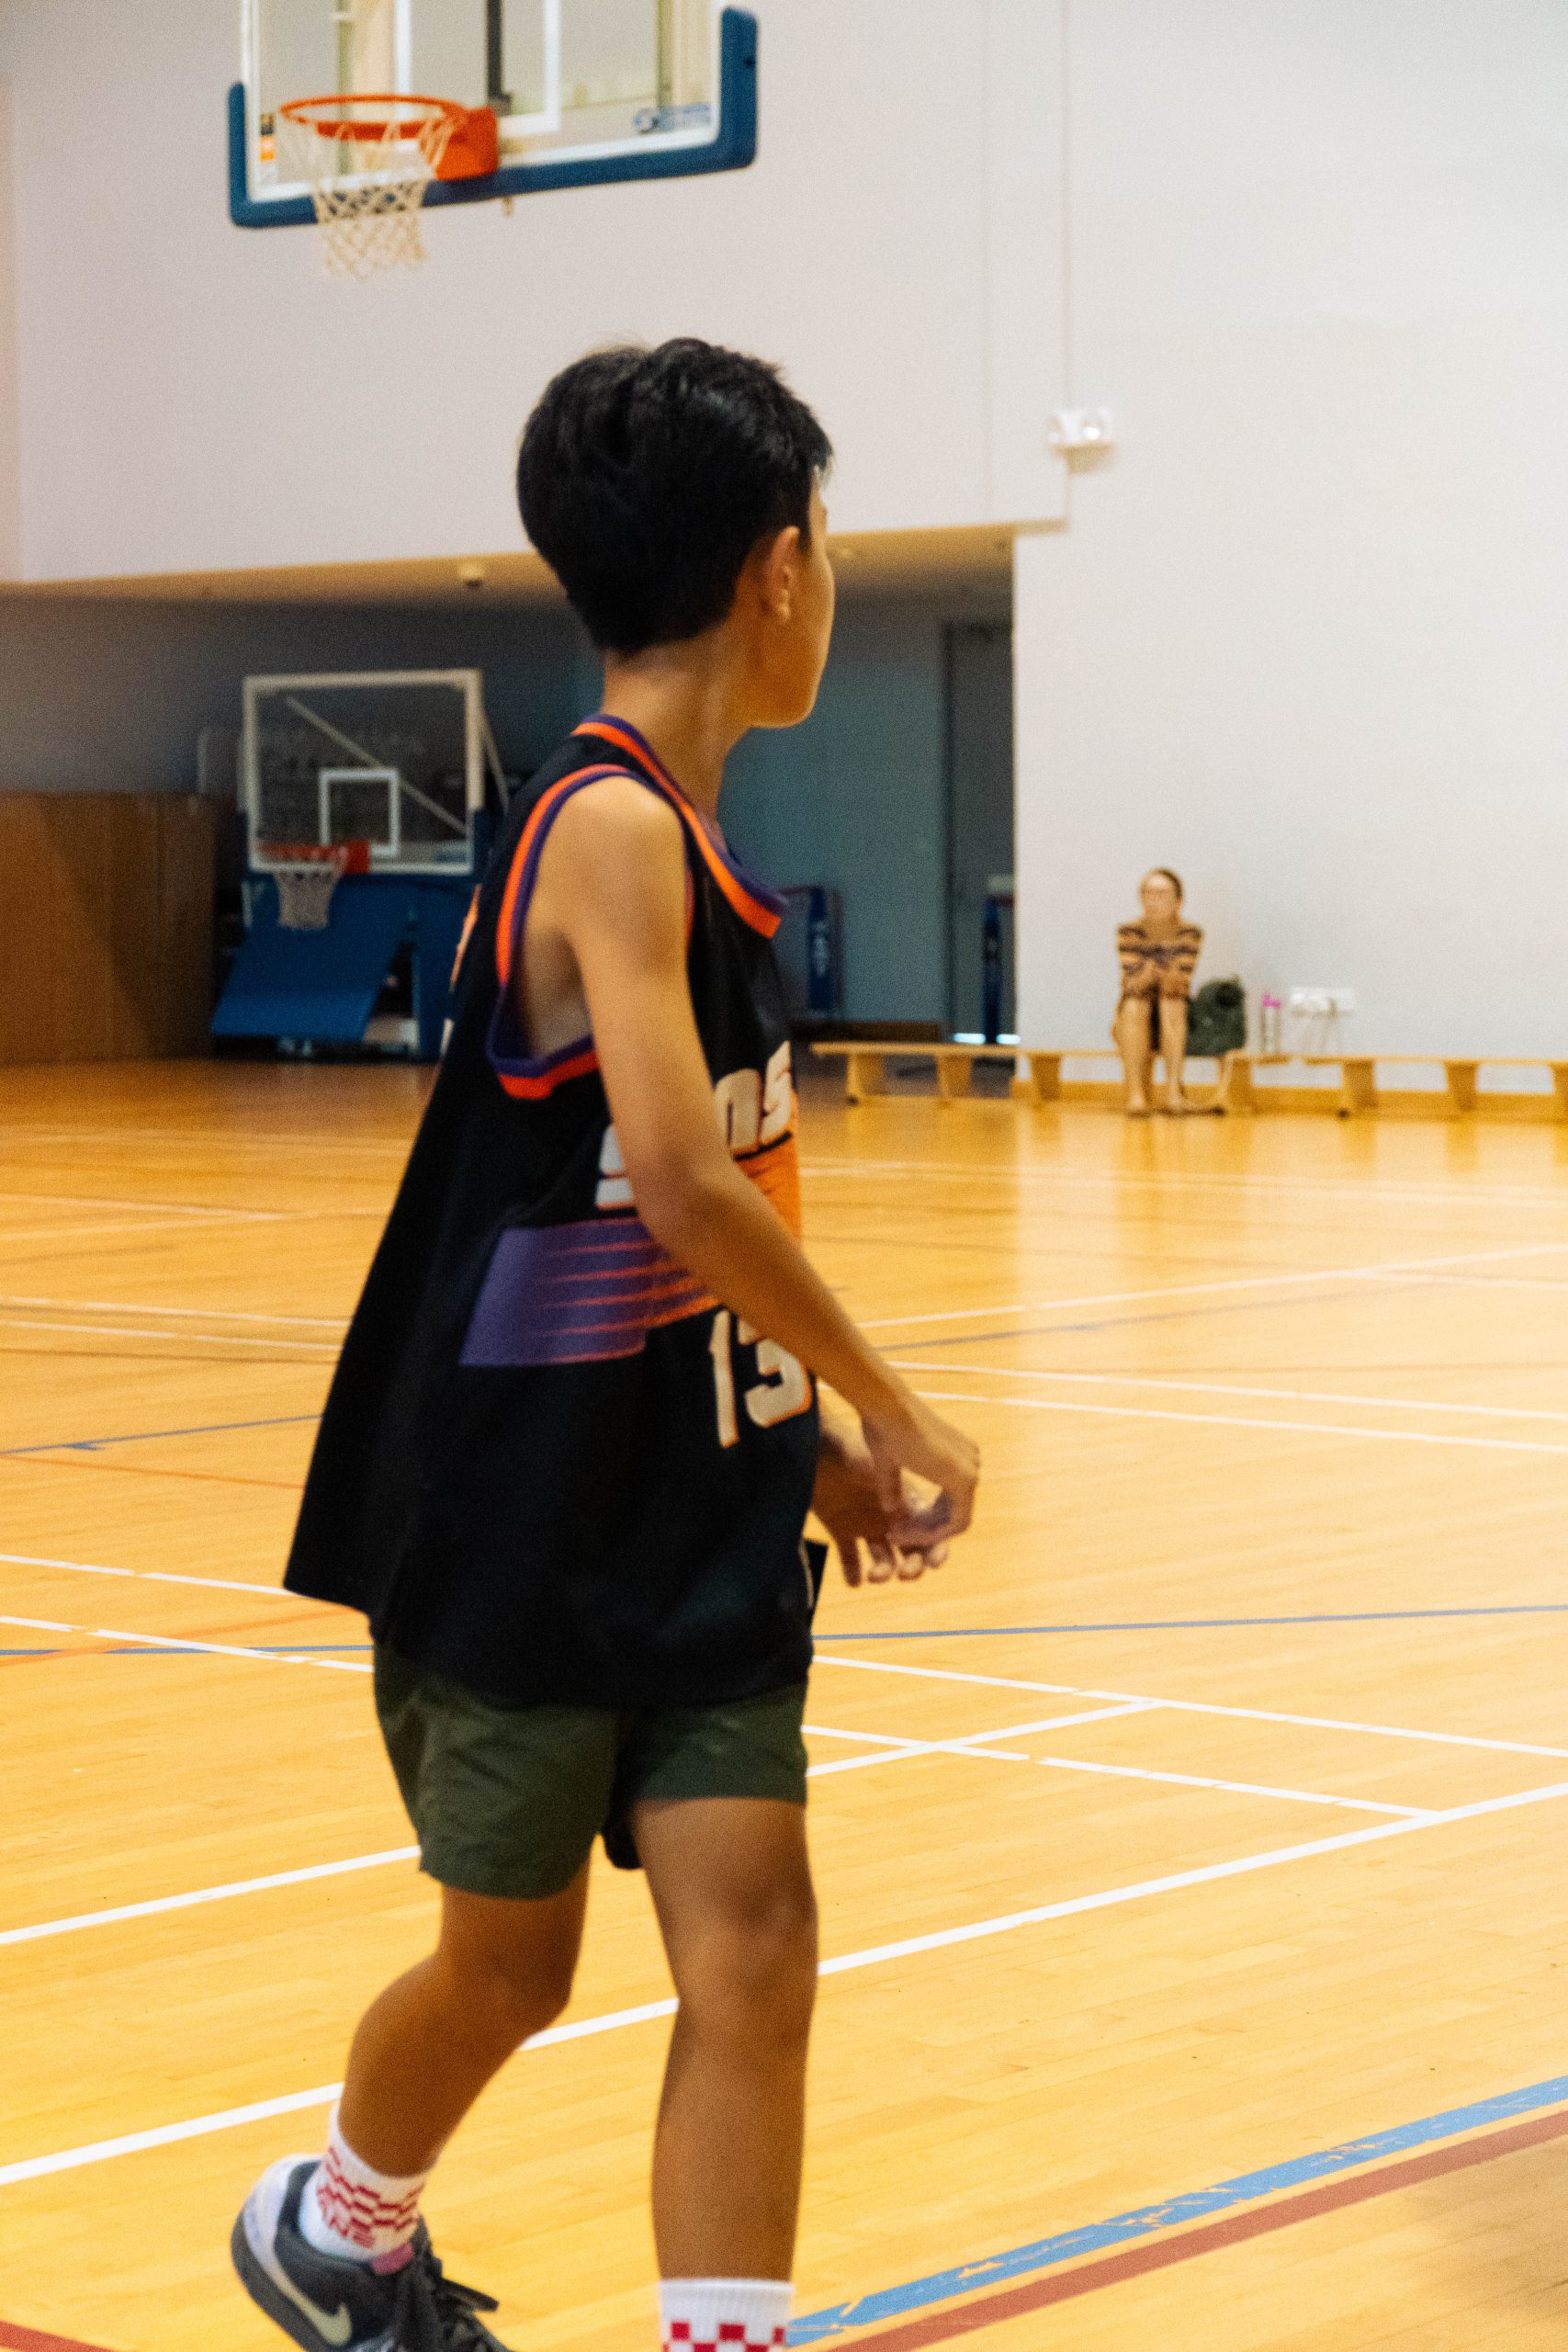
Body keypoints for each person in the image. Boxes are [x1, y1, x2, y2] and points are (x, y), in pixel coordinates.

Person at [230, 339, 980, 2352]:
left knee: (756, 1944)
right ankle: (337, 2222)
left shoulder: (685, 845)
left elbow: (683, 1225)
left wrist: (802, 1437)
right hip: (516, 1524)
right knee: (510, 1968)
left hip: (694, 1512)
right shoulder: (609, 826)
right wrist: (897, 1395)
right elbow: (678, 1184)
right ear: (776, 567)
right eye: (826, 543)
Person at [1112, 868, 1203, 1115]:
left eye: (1161, 893)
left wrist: (1151, 968)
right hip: (1134, 1010)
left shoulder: (1190, 933)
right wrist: (1162, 967)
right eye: (1148, 893)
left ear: (1178, 900)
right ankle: (1136, 1095)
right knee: (1135, 1004)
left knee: (1171, 1002)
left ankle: (1174, 1092)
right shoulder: (1129, 931)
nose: (1154, 899)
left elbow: (1178, 983)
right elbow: (1133, 984)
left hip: (1175, 1010)